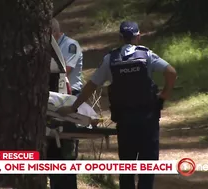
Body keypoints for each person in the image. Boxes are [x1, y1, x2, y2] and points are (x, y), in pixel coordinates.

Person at [57, 21, 177, 189]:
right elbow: (171, 72)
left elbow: (91, 85)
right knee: (148, 166)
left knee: (127, 167)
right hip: (148, 119)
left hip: (125, 120)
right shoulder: (147, 55)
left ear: (120, 38)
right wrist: (163, 95)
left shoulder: (110, 59)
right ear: (138, 37)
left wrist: (73, 107)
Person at [46, 18, 84, 189]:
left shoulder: (70, 45)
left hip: (70, 98)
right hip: (54, 98)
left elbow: (64, 70)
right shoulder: (50, 45)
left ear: (53, 32)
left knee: (66, 147)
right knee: (53, 147)